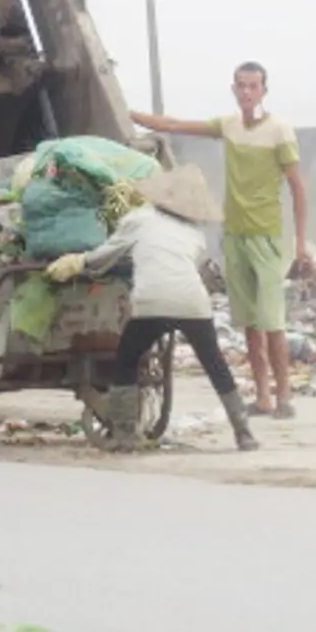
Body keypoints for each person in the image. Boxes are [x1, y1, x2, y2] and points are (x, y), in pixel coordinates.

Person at [129, 61, 310, 419]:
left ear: (264, 90)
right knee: (250, 324)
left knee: (273, 322)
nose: (246, 92)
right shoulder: (228, 126)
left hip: (269, 236)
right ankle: (262, 397)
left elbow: (298, 188)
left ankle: (284, 394)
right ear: (234, 89)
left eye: (253, 86)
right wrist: (131, 114)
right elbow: (174, 125)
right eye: (241, 86)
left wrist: (300, 241)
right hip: (236, 235)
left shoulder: (280, 131)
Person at [46, 164, 259, 452]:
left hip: (153, 300)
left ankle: (124, 433)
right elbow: (188, 265)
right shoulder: (196, 234)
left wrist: (79, 262)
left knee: (127, 358)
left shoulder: (140, 219)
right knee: (215, 365)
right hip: (193, 302)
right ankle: (244, 432)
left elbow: (107, 254)